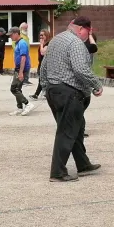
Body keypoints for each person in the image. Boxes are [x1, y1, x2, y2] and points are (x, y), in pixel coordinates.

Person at [38, 17, 102, 182]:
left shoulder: (56, 40)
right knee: (66, 132)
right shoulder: (75, 43)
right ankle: (58, 172)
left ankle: (83, 164)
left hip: (54, 91)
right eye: (88, 32)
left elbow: (43, 67)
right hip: (69, 93)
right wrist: (96, 84)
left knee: (77, 129)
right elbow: (81, 69)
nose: (88, 35)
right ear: (81, 29)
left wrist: (46, 88)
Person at [7, 27, 36, 116]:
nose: (10, 37)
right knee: (18, 88)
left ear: (16, 33)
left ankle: (28, 104)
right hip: (18, 68)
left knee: (14, 89)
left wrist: (20, 72)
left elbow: (23, 58)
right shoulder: (17, 43)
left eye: (11, 35)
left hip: (22, 69)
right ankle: (20, 108)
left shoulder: (22, 43)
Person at [30, 30, 52, 100]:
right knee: (42, 79)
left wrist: (41, 44)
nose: (41, 37)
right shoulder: (43, 44)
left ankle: (37, 94)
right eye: (40, 35)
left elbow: (43, 53)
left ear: (47, 35)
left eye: (43, 35)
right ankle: (45, 93)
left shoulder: (48, 44)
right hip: (41, 63)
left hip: (46, 65)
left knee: (41, 79)